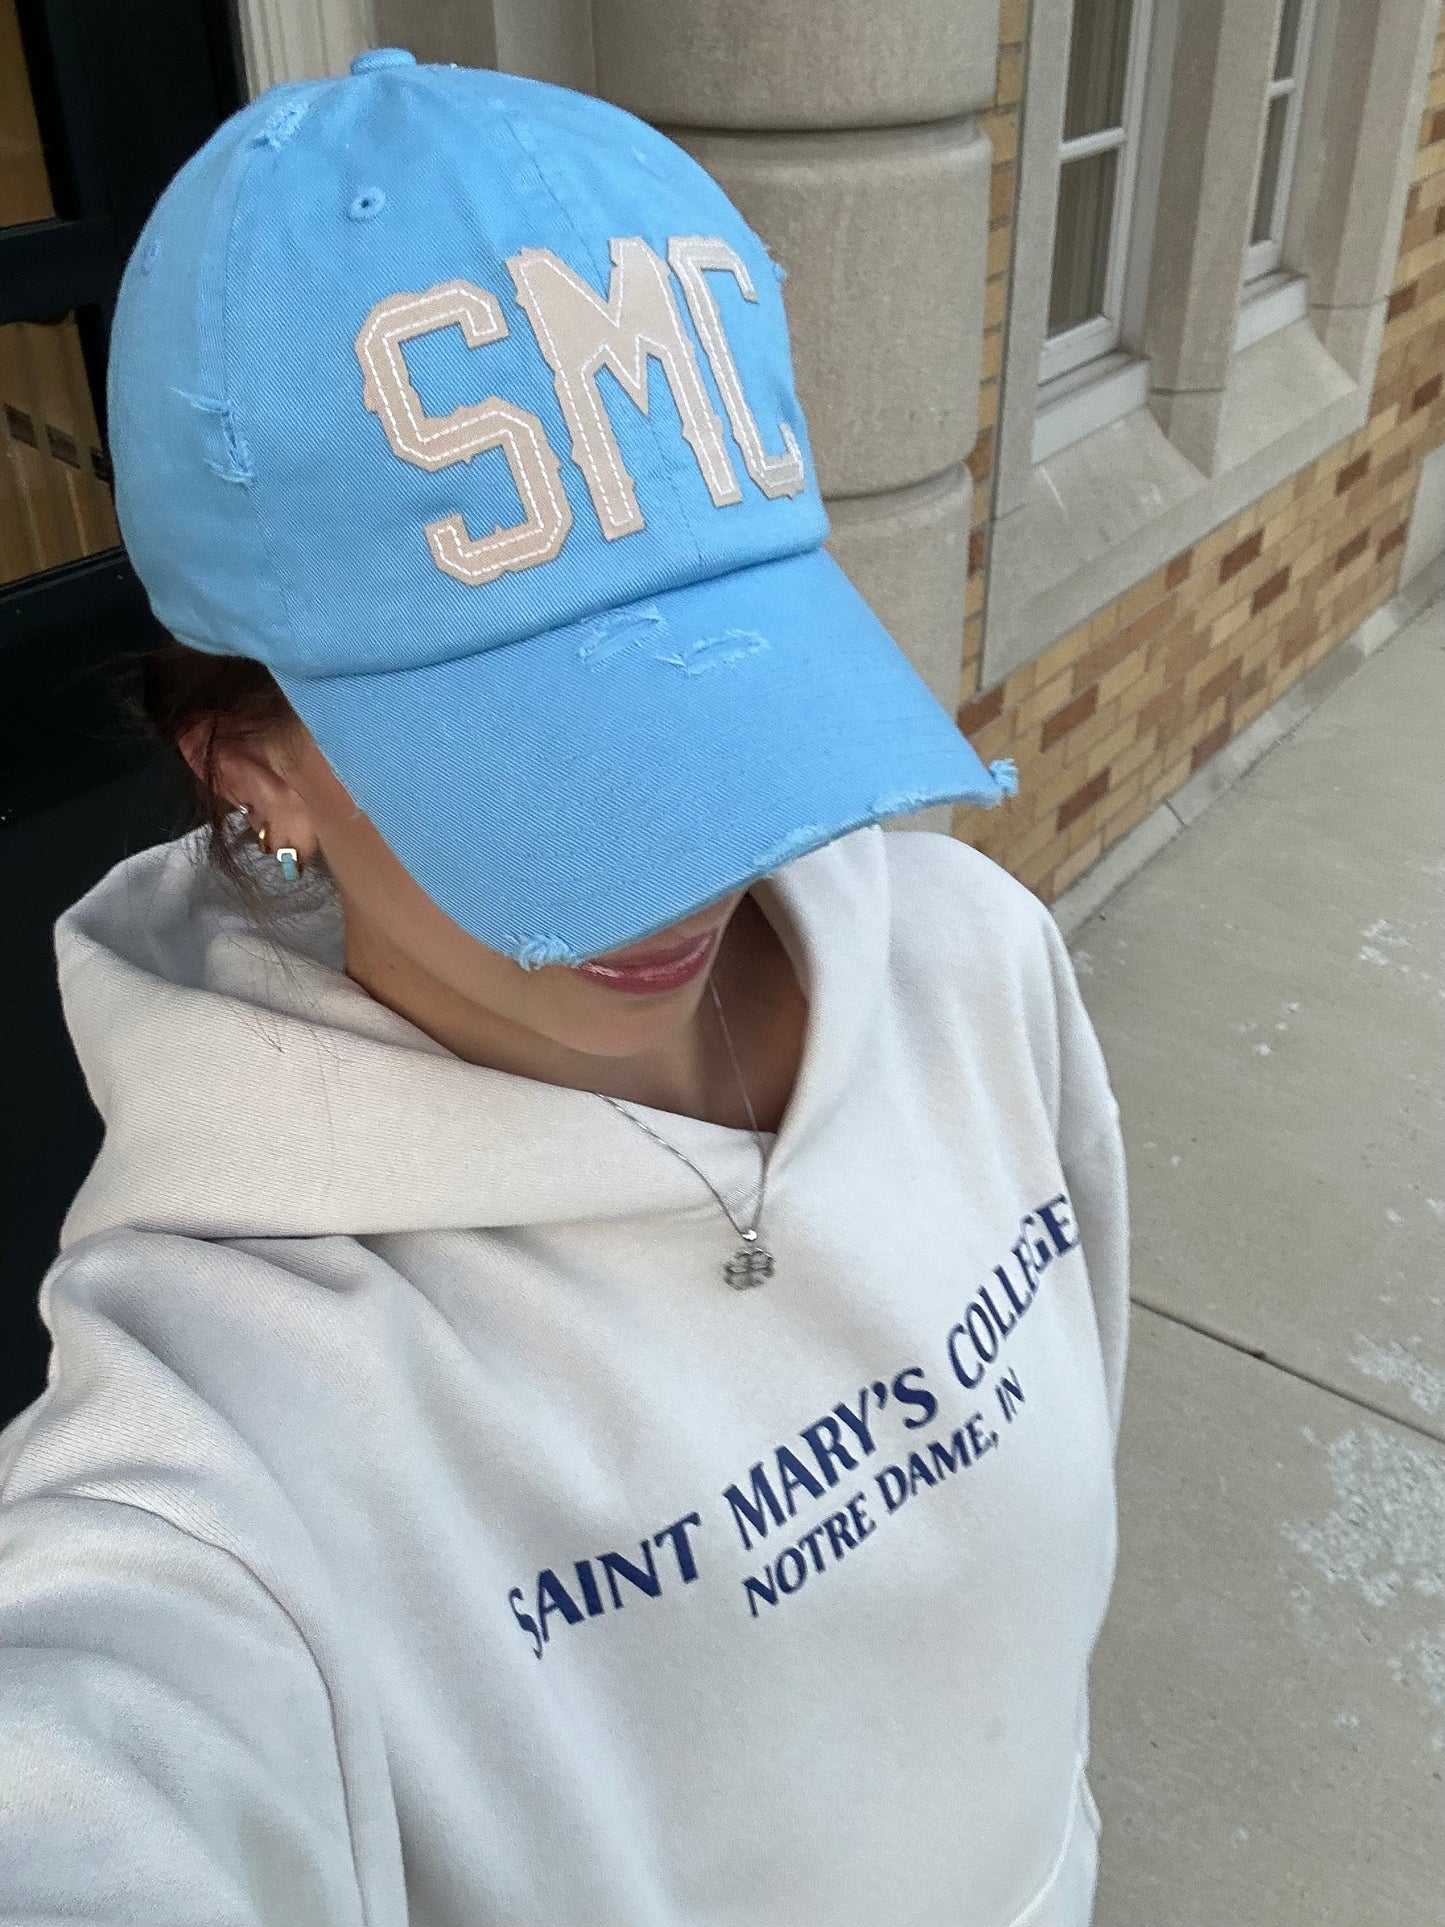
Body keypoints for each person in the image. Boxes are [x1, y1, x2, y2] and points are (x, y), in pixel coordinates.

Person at [0, 50, 1130, 1927]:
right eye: (528, 756)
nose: (681, 866)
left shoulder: (972, 959)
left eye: (715, 689)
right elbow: (105, 1748)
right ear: (248, 761)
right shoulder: (237, 1406)